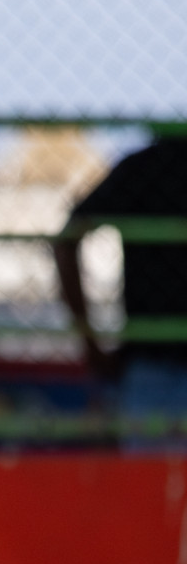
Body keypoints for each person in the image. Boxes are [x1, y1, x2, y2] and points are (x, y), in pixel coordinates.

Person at [54, 138, 187, 443]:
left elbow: (67, 240)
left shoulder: (144, 165)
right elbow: (67, 240)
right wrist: (91, 343)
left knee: (145, 483)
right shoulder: (145, 166)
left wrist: (91, 344)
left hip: (147, 369)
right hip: (148, 368)